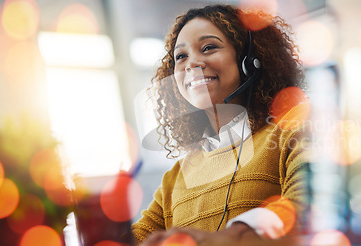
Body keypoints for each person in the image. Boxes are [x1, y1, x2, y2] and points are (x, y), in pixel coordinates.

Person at [132, 4, 310, 245]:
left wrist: (230, 237)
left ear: (250, 60)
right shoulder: (175, 177)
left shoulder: (291, 134)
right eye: (181, 56)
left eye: (209, 47)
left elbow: (306, 212)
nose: (192, 63)